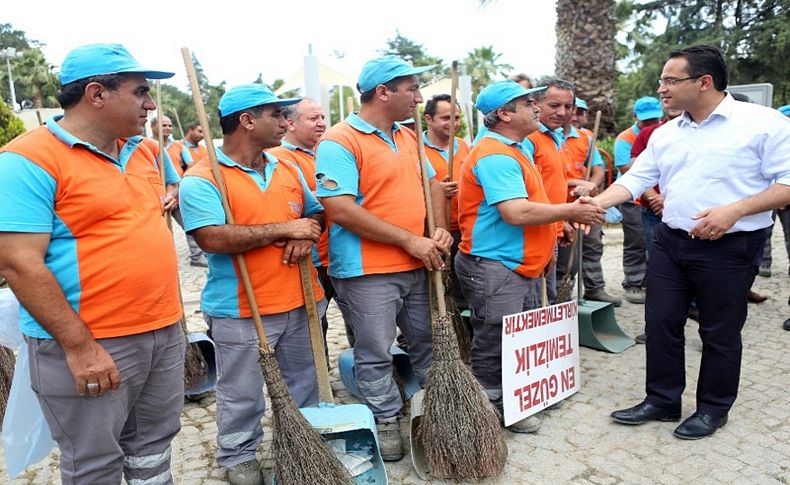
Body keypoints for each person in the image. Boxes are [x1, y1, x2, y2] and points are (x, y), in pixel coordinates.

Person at [0, 43, 184, 484]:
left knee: (154, 445)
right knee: (94, 459)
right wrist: (80, 348)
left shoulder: (144, 152)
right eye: (140, 91)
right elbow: (19, 264)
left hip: (163, 330)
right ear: (97, 94)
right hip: (92, 340)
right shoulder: (27, 160)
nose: (150, 103)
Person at [594, 45, 790, 439]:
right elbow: (636, 179)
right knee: (661, 321)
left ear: (704, 83)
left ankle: (714, 408)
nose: (661, 89)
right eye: (661, 81)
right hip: (670, 242)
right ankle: (663, 399)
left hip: (730, 247)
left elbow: (787, 183)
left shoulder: (764, 124)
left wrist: (733, 211)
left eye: (670, 80)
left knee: (719, 330)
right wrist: (593, 205)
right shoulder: (667, 133)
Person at [179, 84, 325, 484]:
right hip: (241, 305)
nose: (284, 123)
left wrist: (304, 232)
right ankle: (237, 455)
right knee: (241, 392)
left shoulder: (288, 166)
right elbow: (212, 237)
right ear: (247, 121)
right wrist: (285, 227)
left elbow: (315, 215)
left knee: (304, 383)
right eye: (276, 115)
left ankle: (301, 445)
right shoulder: (203, 177)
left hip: (301, 297)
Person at [315, 55, 452, 461]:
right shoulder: (340, 140)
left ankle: (439, 413)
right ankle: (387, 419)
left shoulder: (409, 137)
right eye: (411, 88)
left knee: (429, 343)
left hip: (418, 262)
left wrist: (437, 229)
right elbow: (339, 208)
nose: (419, 96)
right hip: (367, 270)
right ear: (383, 91)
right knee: (375, 351)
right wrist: (410, 240)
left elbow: (433, 185)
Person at [455, 81, 606, 433]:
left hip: (516, 264)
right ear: (505, 114)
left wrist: (557, 224)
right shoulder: (495, 154)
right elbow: (516, 213)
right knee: (495, 338)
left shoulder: (515, 148)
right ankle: (490, 406)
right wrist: (570, 210)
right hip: (497, 265)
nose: (536, 106)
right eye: (527, 102)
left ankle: (517, 398)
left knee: (516, 336)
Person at [267, 98, 340, 349]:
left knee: (358, 321)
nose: (321, 123)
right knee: (314, 325)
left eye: (322, 118)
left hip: (341, 254)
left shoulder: (330, 150)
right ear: (290, 123)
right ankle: (318, 381)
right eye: (313, 118)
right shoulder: (278, 159)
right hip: (311, 259)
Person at [555, 97, 620, 305]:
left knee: (592, 246)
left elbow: (598, 170)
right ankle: (561, 297)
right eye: (571, 111)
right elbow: (546, 175)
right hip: (559, 205)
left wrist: (590, 185)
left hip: (585, 203)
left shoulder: (586, 137)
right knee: (564, 256)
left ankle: (594, 288)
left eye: (578, 112)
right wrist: (575, 181)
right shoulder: (548, 136)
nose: (574, 116)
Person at [525, 78, 576, 303]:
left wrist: (560, 223)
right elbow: (528, 192)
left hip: (551, 229)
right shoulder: (528, 139)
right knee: (535, 300)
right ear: (536, 103)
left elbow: (550, 184)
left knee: (547, 296)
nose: (562, 112)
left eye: (568, 106)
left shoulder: (556, 137)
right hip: (531, 233)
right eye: (554, 105)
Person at [422, 93, 470, 309]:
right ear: (428, 119)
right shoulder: (416, 149)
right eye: (446, 118)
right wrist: (437, 191)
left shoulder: (465, 147)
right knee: (433, 291)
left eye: (457, 118)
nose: (453, 123)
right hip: (433, 233)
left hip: (464, 231)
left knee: (461, 289)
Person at [613, 96, 663, 304]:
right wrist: (652, 195)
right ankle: (633, 283)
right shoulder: (625, 138)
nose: (651, 124)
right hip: (633, 197)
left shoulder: (666, 132)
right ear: (635, 117)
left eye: (654, 119)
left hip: (660, 198)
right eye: (646, 120)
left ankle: (651, 282)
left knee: (658, 243)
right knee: (636, 241)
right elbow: (628, 169)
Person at [151, 115, 208, 267]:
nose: (168, 128)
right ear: (153, 127)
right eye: (164, 125)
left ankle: (197, 256)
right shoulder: (145, 146)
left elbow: (190, 165)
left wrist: (182, 183)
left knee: (189, 223)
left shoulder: (179, 147)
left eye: (169, 125)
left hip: (176, 191)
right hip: (152, 194)